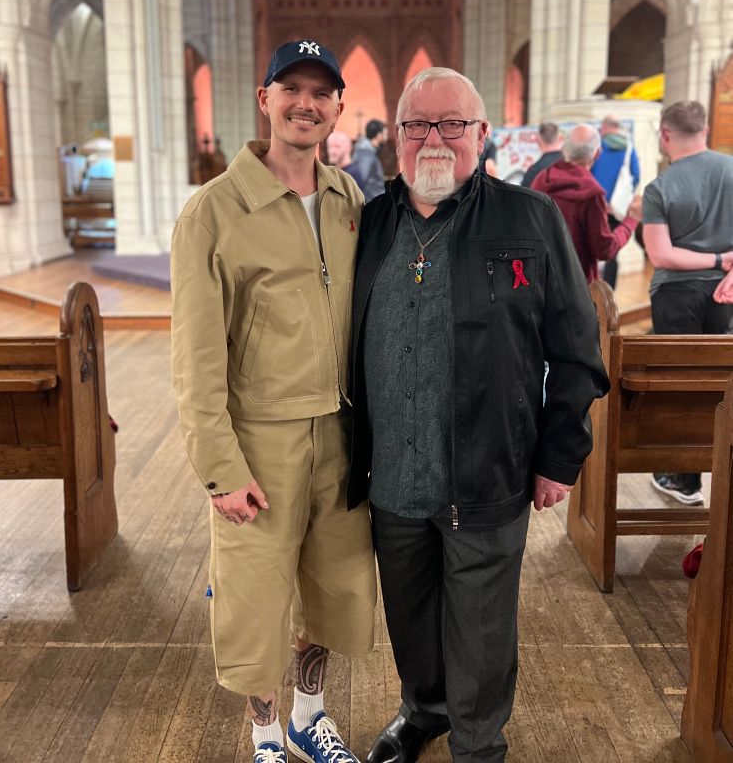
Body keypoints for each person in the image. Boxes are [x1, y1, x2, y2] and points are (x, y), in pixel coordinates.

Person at [349, 67, 610, 763]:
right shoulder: (370, 224)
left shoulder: (530, 219)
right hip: (393, 475)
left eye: (452, 124)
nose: (434, 139)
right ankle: (424, 710)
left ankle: (477, 741)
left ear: (482, 134)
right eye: (417, 125)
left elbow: (577, 350)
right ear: (397, 138)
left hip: (490, 467)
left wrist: (559, 457)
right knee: (410, 615)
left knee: (483, 624)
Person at [171, 39, 376, 763]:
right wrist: (220, 468)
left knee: (336, 585)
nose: (306, 103)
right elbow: (195, 354)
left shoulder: (348, 198)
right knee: (255, 598)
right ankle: (264, 736)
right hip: (260, 438)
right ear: (264, 99)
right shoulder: (214, 212)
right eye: (291, 87)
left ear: (338, 109)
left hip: (342, 433)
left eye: (321, 93)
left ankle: (307, 715)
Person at [642, 100, 733, 506]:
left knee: (680, 386)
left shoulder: (660, 187)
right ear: (706, 128)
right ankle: (721, 471)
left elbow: (661, 256)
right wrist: (728, 268)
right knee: (720, 383)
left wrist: (714, 260)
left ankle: (685, 478)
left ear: (665, 135)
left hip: (677, 295)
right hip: (725, 293)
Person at [531, 124, 642, 283]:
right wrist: (631, 220)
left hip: (541, 281)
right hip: (576, 287)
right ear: (597, 153)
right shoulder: (592, 193)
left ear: (564, 149)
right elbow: (605, 249)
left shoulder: (541, 179)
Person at [591, 115, 640, 288]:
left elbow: (588, 173)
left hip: (596, 205)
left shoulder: (597, 147)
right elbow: (636, 175)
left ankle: (591, 289)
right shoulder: (628, 148)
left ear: (605, 128)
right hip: (616, 209)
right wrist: (621, 199)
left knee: (591, 246)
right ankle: (609, 293)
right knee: (612, 250)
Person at [521, 122, 563, 188]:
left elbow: (524, 196)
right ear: (561, 139)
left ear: (538, 141)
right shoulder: (573, 165)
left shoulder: (533, 172)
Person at [353, 118, 386, 201]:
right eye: (384, 134)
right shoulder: (366, 155)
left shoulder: (368, 152)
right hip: (372, 204)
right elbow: (360, 181)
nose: (385, 137)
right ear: (378, 135)